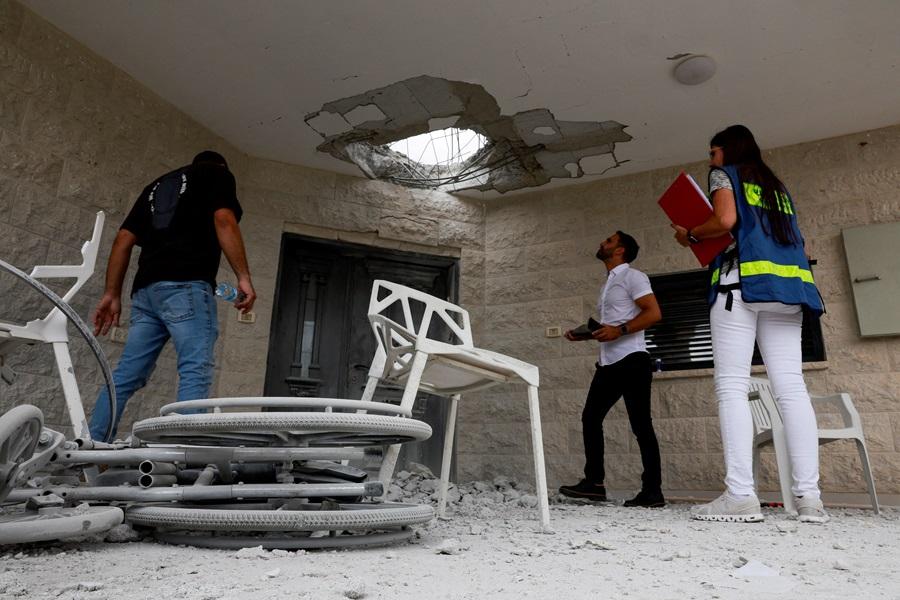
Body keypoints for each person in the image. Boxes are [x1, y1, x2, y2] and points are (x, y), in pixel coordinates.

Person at [671, 124, 827, 523]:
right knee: (792, 388)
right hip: (787, 290)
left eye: (713, 153)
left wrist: (691, 235)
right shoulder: (776, 188)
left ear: (727, 151)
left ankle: (740, 495)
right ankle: (810, 499)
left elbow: (724, 220)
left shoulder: (725, 175)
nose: (710, 160)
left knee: (731, 386)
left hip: (739, 287)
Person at [88, 151, 256, 440]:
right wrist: (243, 277)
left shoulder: (156, 186)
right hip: (186, 286)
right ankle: (185, 452)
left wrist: (111, 293)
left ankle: (91, 446)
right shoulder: (217, 174)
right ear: (220, 165)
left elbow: (123, 239)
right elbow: (224, 219)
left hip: (146, 293)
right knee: (195, 370)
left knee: (125, 376)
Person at [559, 231, 665, 508]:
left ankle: (652, 492)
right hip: (609, 362)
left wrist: (621, 330)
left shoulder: (634, 277)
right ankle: (594, 484)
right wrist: (585, 334)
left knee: (641, 425)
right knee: (590, 418)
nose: (602, 243)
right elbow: (612, 326)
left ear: (620, 250)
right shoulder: (609, 283)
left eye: (608, 241)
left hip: (632, 360)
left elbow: (653, 313)